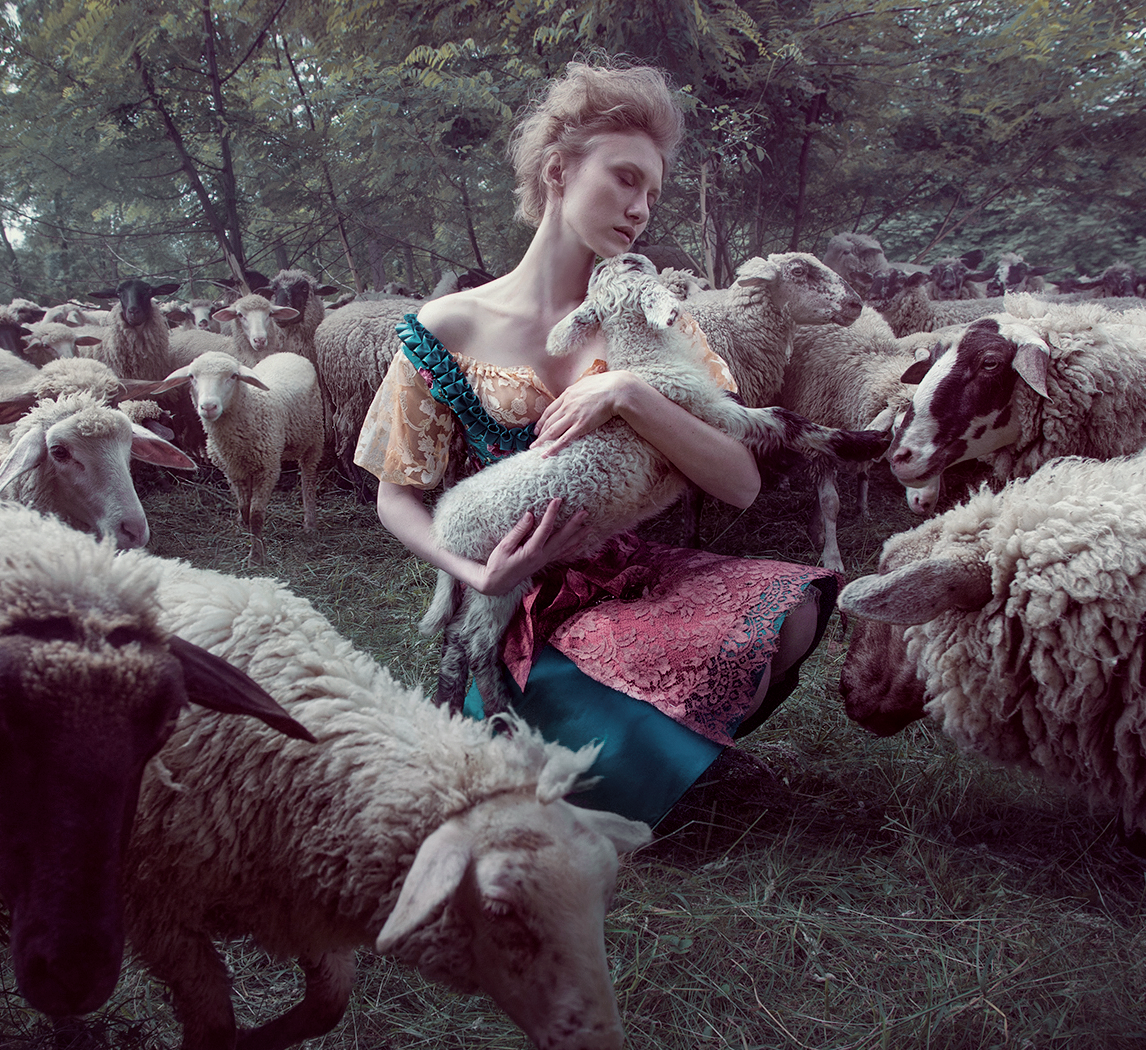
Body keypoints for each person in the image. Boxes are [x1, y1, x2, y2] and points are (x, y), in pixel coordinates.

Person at [355, 61, 838, 826]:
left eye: (651, 191)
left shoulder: (653, 317)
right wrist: (473, 571)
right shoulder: (445, 326)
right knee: (527, 751)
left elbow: (741, 483)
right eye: (624, 179)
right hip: (507, 575)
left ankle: (623, 751)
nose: (641, 207)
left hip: (625, 569)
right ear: (558, 170)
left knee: (791, 613)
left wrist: (629, 392)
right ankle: (601, 746)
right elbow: (394, 495)